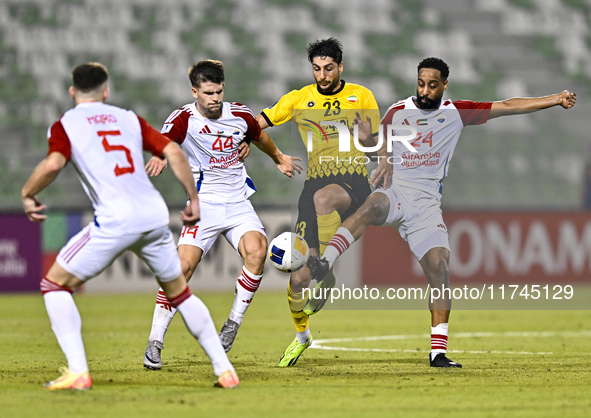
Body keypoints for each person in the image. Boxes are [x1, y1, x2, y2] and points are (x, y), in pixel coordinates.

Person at [308, 57, 577, 368]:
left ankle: (438, 353)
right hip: (397, 191)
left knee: (440, 270)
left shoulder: (457, 112)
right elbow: (378, 149)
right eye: (421, 84)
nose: (424, 90)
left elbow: (508, 105)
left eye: (432, 85)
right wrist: (369, 139)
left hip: (426, 206)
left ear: (444, 85)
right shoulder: (398, 111)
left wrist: (555, 99)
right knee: (371, 206)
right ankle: (324, 263)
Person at [21, 62, 239, 390]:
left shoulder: (66, 124)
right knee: (179, 293)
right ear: (106, 91)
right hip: (152, 215)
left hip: (115, 218)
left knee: (55, 285)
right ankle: (224, 370)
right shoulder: (128, 118)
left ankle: (78, 371)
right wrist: (193, 200)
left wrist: (28, 193)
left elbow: (53, 163)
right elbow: (172, 152)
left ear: (72, 92)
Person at [141, 60, 301, 370]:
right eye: (209, 92)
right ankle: (155, 341)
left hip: (238, 202)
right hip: (205, 205)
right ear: (195, 92)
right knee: (182, 267)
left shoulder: (239, 115)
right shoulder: (183, 119)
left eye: (219, 92)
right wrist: (161, 155)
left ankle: (231, 326)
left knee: (257, 252)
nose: (215, 98)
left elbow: (259, 136)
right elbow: (161, 141)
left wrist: (278, 157)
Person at [256, 38, 381, 367]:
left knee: (323, 197)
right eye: (316, 68)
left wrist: (369, 139)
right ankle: (302, 336)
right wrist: (255, 145)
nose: (322, 75)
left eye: (328, 68)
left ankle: (325, 265)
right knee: (298, 277)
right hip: (314, 183)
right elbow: (258, 122)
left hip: (353, 179)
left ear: (341, 67)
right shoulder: (299, 99)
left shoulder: (361, 96)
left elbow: (375, 146)